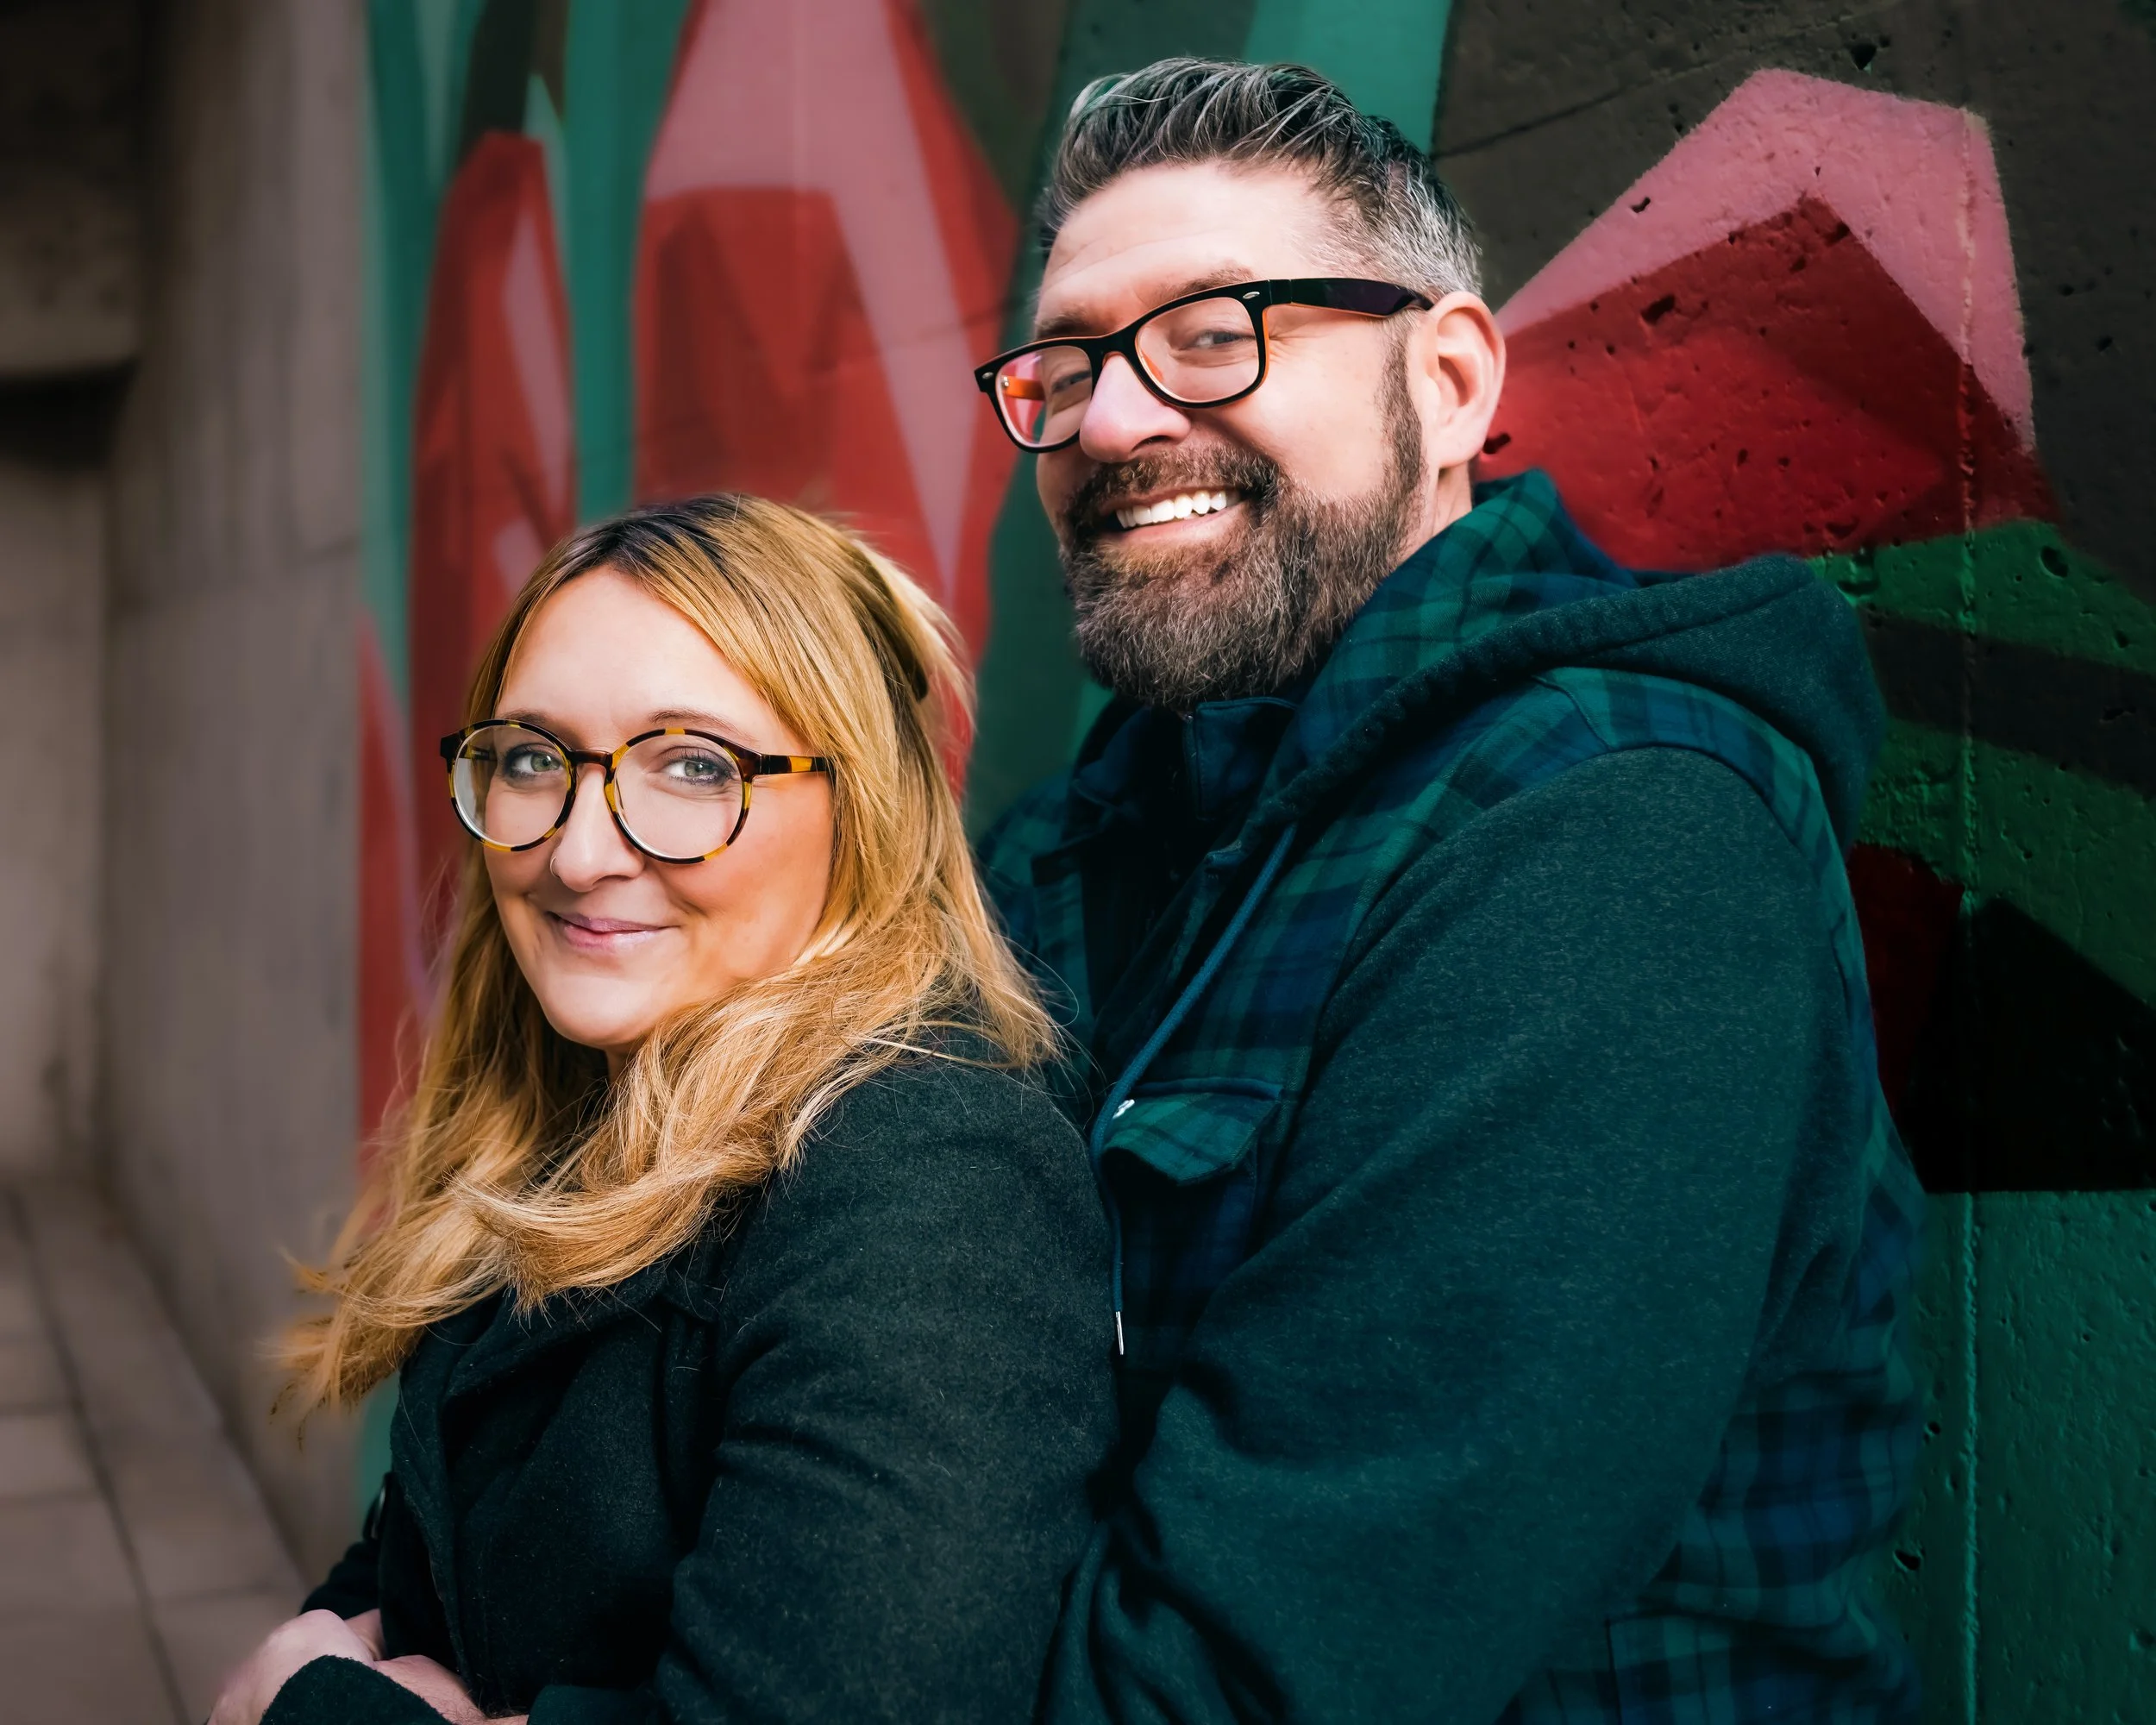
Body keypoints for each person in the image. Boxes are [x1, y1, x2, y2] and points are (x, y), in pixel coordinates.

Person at [973, 59, 1924, 1722]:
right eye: (1067, 366)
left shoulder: (1612, 838)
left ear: (1455, 378)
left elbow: (1247, 1688)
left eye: (1214, 333)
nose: (1114, 422)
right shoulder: (1072, 854)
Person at [212, 496, 1113, 1725]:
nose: (579, 851)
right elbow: (427, 1546)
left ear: (864, 808)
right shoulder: (582, 1098)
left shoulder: (926, 1177)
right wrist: (326, 1649)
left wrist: (306, 1709)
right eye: (533, 758)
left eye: (693, 766)